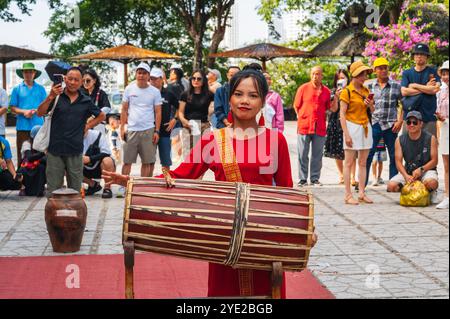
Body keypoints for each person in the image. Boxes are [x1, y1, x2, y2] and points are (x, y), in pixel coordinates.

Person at [103, 69, 317, 298]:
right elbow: (179, 176)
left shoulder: (276, 140)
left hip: (264, 239)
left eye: (253, 95)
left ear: (263, 100)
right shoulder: (213, 140)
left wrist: (304, 231)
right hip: (223, 239)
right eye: (238, 94)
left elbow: (286, 194)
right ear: (229, 98)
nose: (245, 101)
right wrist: (135, 183)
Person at [37, 66, 106, 195]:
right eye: (70, 79)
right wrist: (50, 96)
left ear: (81, 82)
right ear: (65, 79)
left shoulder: (86, 101)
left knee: (75, 191)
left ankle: (73, 215)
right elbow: (39, 112)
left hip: (75, 150)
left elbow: (102, 116)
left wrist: (87, 126)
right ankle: (53, 215)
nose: (73, 82)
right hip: (55, 150)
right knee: (53, 191)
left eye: (76, 80)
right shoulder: (57, 97)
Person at [118, 62, 162, 197]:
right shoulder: (129, 89)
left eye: (144, 73)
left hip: (148, 129)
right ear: (136, 74)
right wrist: (122, 127)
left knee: (147, 161)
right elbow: (124, 109)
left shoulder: (154, 91)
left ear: (148, 76)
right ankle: (123, 187)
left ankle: (142, 188)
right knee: (127, 161)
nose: (141, 75)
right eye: (139, 72)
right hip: (131, 129)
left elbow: (158, 112)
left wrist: (157, 131)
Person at [339, 60, 375, 205]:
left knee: (363, 162)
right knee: (348, 163)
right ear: (355, 75)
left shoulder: (366, 91)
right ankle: (347, 195)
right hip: (351, 126)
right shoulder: (346, 91)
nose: (365, 77)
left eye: (365, 74)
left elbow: (372, 111)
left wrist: (370, 105)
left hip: (365, 126)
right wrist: (346, 134)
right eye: (362, 74)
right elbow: (342, 114)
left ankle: (361, 192)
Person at [294, 66, 336, 186]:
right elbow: (296, 106)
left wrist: (336, 98)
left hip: (320, 127)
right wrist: (301, 117)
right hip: (304, 126)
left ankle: (314, 178)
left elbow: (332, 108)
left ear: (322, 76)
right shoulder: (303, 88)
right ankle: (302, 179)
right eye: (313, 74)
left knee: (317, 155)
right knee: (302, 154)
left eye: (317, 74)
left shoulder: (326, 91)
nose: (315, 76)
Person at [365, 57, 403, 187]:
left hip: (391, 125)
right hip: (374, 124)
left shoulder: (396, 86)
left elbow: (404, 104)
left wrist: (400, 121)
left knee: (394, 155)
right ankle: (362, 184)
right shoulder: (368, 85)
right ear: (375, 70)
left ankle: (393, 184)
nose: (383, 70)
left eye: (385, 68)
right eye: (380, 68)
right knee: (368, 154)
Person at [387, 111, 439, 200]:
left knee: (432, 183)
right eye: (408, 122)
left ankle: (428, 191)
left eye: (415, 122)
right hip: (409, 172)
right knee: (391, 186)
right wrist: (406, 176)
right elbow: (398, 162)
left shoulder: (431, 138)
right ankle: (411, 191)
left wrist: (421, 169)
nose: (411, 125)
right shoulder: (400, 140)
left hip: (426, 170)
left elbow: (435, 161)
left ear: (421, 124)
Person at [324, 69, 357, 185]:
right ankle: (342, 175)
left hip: (350, 122)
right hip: (336, 123)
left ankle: (353, 177)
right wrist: (336, 97)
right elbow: (333, 109)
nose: (341, 80)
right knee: (337, 151)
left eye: (343, 77)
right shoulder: (332, 92)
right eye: (339, 78)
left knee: (351, 150)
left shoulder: (352, 91)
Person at [10, 62, 47, 166]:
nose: (28, 74)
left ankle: (39, 179)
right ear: (22, 73)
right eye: (26, 71)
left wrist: (35, 111)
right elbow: (12, 108)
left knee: (39, 155)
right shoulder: (17, 89)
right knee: (22, 155)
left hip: (39, 127)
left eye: (30, 71)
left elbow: (46, 106)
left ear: (34, 73)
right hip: (22, 127)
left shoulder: (41, 89)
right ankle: (21, 180)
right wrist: (24, 112)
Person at [401, 43, 441, 136]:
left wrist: (414, 85)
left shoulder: (433, 71)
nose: (419, 56)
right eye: (417, 54)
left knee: (430, 147)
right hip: (409, 118)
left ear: (427, 57)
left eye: (422, 54)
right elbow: (404, 92)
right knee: (407, 148)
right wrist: (426, 87)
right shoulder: (407, 73)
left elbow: (435, 89)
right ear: (413, 57)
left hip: (428, 117)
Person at [178, 70, 214, 157]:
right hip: (188, 125)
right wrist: (184, 121)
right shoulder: (185, 94)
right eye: (193, 78)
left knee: (203, 156)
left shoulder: (210, 94)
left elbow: (211, 110)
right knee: (188, 155)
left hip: (203, 126)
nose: (196, 80)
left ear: (203, 80)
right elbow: (180, 112)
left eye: (199, 79)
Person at [149, 68, 179, 172]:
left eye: (155, 79)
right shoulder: (146, 93)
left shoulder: (168, 94)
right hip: (149, 130)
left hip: (165, 131)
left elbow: (181, 106)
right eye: (151, 79)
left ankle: (167, 182)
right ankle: (148, 183)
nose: (152, 81)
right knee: (149, 161)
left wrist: (174, 119)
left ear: (161, 79)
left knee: (166, 161)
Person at [83, 128, 115, 198]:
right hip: (81, 168)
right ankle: (93, 185)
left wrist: (90, 159)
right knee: (64, 165)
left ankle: (107, 188)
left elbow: (106, 152)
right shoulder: (71, 136)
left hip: (99, 168)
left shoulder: (97, 134)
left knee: (108, 160)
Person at [17, 125, 46, 197]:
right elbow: (29, 157)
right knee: (22, 170)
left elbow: (46, 159)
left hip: (38, 166)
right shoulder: (27, 143)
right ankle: (22, 187)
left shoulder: (44, 144)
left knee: (42, 167)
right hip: (27, 167)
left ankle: (40, 189)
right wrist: (42, 153)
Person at [436, 60, 449, 209]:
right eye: (444, 73)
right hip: (445, 126)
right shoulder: (441, 91)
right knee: (446, 165)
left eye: (448, 73)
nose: (446, 76)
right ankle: (447, 196)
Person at [81, 68, 111, 135]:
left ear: (94, 80)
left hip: (97, 125)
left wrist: (94, 116)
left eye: (88, 80)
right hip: (83, 126)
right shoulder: (80, 93)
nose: (85, 83)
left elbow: (107, 107)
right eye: (83, 81)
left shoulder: (100, 93)